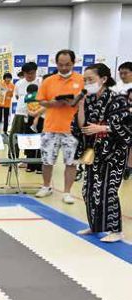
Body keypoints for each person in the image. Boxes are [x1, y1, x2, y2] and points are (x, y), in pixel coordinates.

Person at [73, 63, 131, 243]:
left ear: (104, 79)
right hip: (93, 152)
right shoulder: (89, 100)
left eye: (90, 79)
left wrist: (103, 127)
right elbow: (81, 126)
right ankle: (95, 226)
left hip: (114, 153)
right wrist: (80, 105)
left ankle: (116, 230)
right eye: (85, 80)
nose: (87, 83)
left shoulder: (118, 99)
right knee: (89, 189)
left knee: (108, 191)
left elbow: (127, 126)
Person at [35, 50, 85, 203]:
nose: (64, 68)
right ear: (56, 64)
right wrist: (52, 103)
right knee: (47, 160)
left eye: (67, 65)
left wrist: (75, 102)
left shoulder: (81, 80)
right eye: (60, 65)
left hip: (72, 129)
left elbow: (87, 101)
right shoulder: (48, 81)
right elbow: (40, 100)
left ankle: (67, 192)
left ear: (73, 63)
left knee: (71, 162)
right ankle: (46, 186)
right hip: (50, 127)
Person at [11, 63, 41, 161]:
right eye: (28, 73)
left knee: (31, 137)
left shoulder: (40, 82)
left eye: (32, 73)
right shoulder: (19, 83)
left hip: (36, 114)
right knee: (15, 135)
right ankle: (12, 158)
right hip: (20, 112)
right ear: (23, 73)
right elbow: (17, 96)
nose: (30, 75)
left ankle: (29, 160)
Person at [115, 62, 132, 180]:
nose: (122, 76)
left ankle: (129, 167)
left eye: (125, 73)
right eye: (120, 73)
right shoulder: (117, 86)